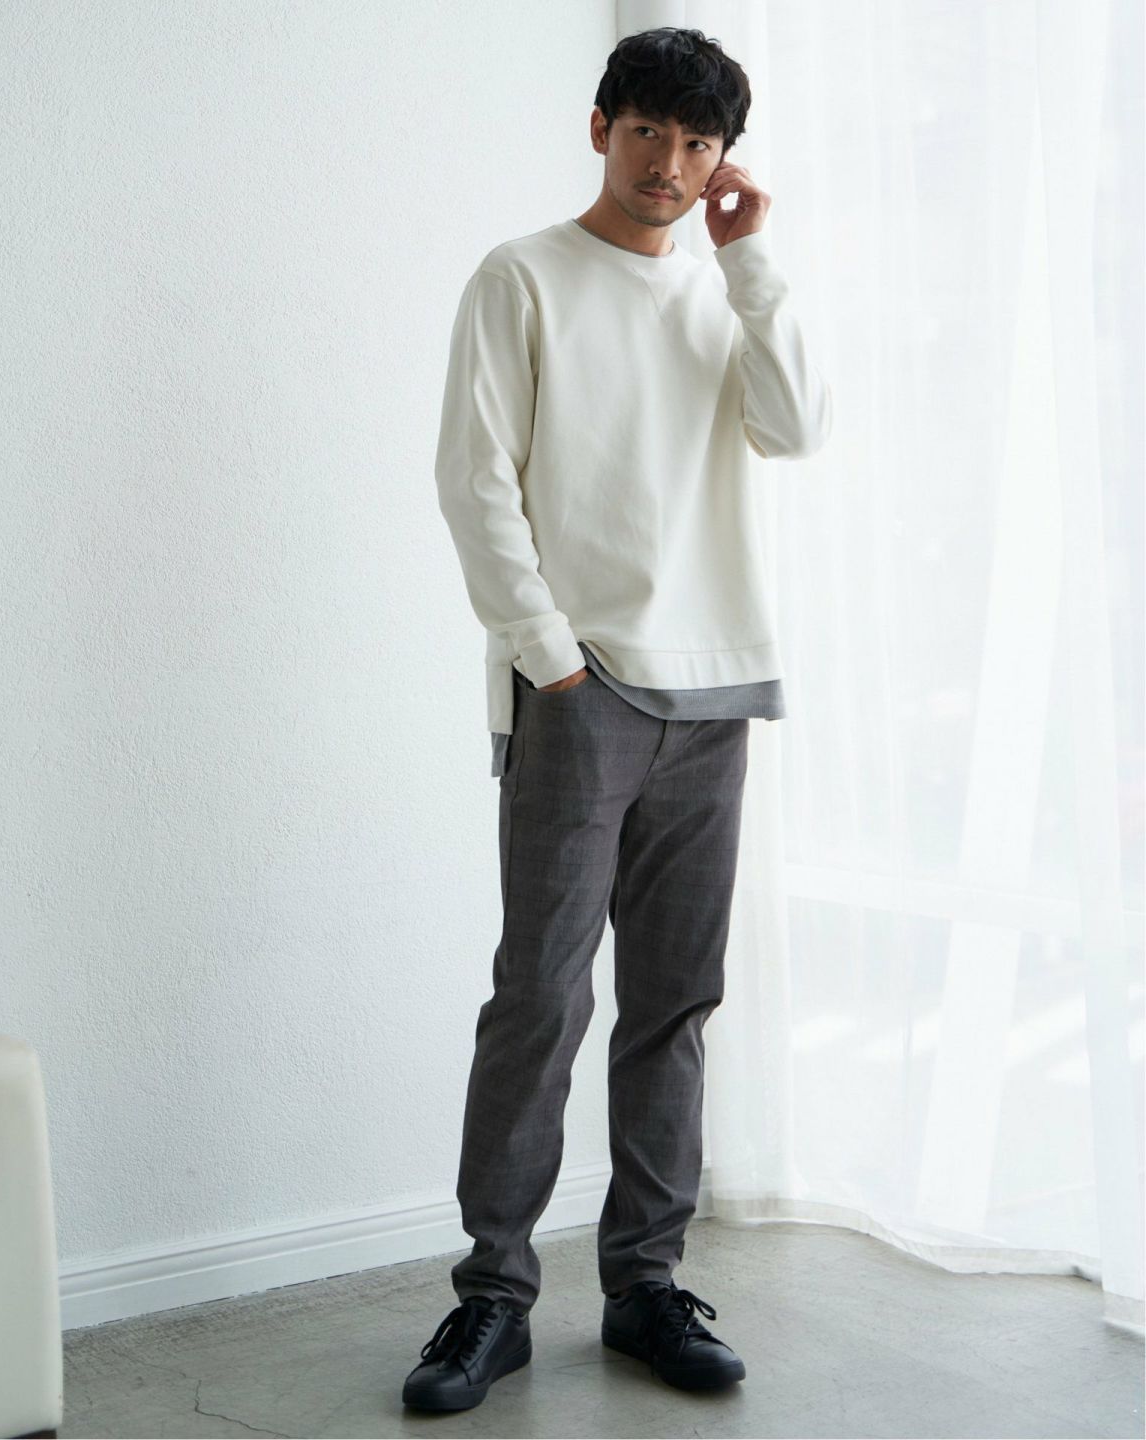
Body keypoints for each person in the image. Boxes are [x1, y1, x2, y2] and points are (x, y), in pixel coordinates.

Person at [403, 25, 832, 1412]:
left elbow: (799, 426)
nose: (672, 164)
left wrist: (752, 260)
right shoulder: (521, 276)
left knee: (675, 1005)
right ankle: (494, 1297)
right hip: (583, 687)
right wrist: (549, 657)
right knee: (540, 994)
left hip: (720, 691)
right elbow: (476, 477)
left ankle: (645, 1284)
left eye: (700, 143)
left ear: (723, 159)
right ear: (603, 128)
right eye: (649, 131)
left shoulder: (725, 291)